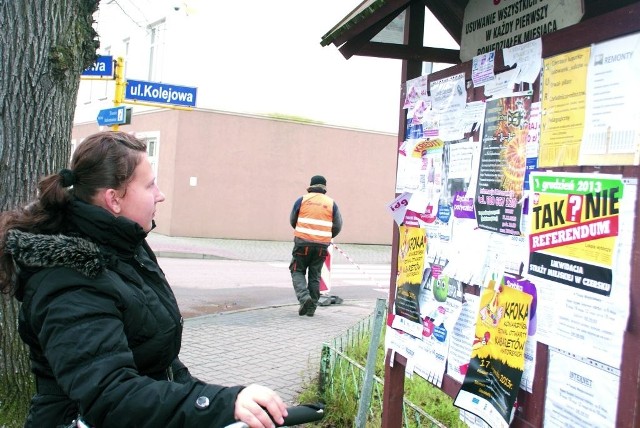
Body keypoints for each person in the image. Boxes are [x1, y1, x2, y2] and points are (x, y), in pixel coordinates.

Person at [0, 131, 287, 428]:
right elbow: (112, 397)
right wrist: (219, 403)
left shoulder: (126, 247)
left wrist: (215, 400)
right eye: (150, 185)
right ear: (113, 199)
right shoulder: (71, 279)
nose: (160, 194)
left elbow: (156, 358)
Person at [289, 175, 343, 317]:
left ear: (311, 186)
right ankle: (311, 307)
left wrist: (302, 232)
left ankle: (304, 298)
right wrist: (325, 235)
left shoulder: (302, 200)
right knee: (315, 276)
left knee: (297, 270)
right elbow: (338, 225)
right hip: (321, 246)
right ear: (324, 187)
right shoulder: (332, 203)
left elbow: (293, 219)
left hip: (302, 243)